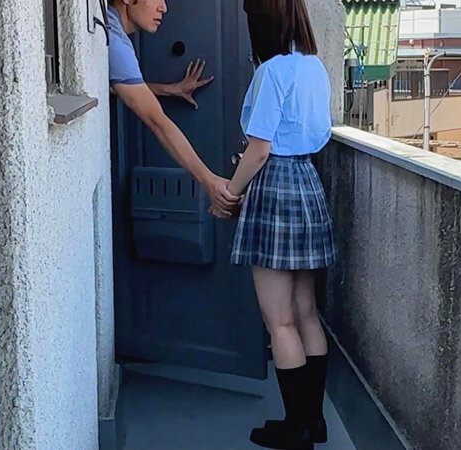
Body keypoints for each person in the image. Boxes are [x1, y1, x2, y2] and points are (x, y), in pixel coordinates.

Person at [219, 1, 338, 448]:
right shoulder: (314, 67)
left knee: (280, 321)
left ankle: (296, 428)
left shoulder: (271, 71)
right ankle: (314, 422)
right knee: (306, 312)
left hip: (274, 187)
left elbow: (259, 149)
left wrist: (229, 193)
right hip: (308, 181)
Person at [107, 0, 240, 215]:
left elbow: (122, 85)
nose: (164, 8)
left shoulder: (109, 28)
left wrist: (170, 90)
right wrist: (209, 181)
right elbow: (157, 121)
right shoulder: (114, 42)